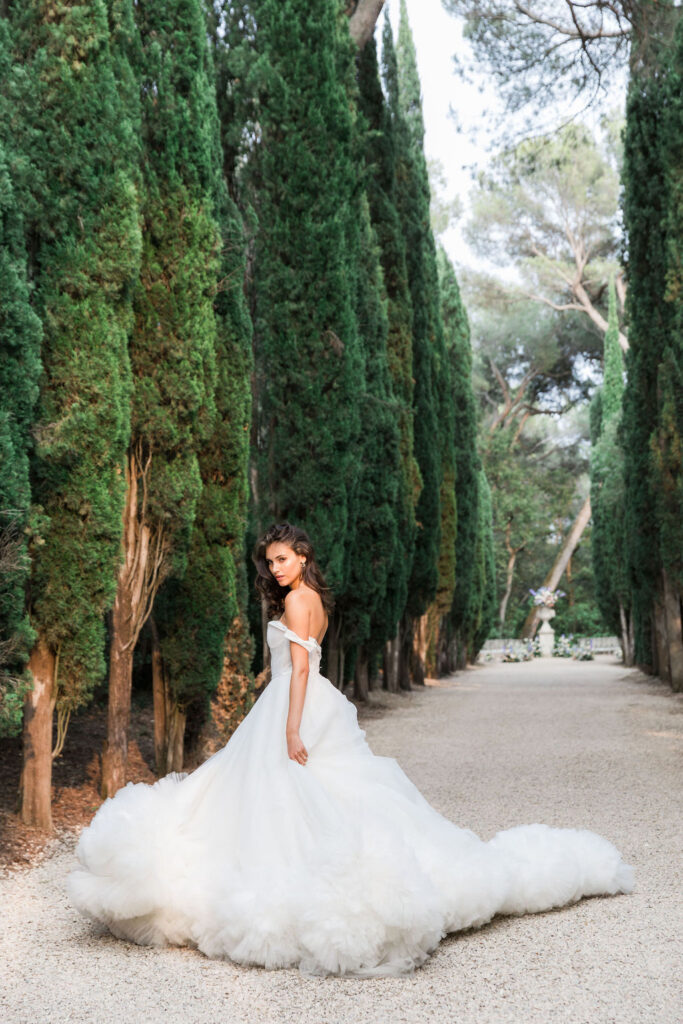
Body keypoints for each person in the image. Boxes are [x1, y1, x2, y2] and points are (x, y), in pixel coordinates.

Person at [67, 521, 634, 978]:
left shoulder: (294, 604)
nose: (274, 568)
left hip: (296, 706)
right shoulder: (313, 600)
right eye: (269, 561)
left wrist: (290, 729)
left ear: (303, 556)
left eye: (282, 558)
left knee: (280, 790)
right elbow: (305, 662)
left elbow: (300, 668)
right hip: (311, 700)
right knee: (322, 791)